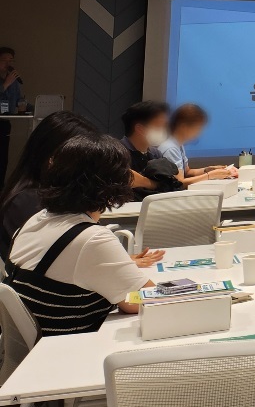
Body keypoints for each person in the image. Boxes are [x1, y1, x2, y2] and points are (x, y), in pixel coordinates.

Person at [4, 133, 163, 336]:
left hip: (39, 346)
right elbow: (147, 299)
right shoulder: (91, 239)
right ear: (115, 183)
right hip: (70, 348)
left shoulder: (36, 220)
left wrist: (120, 264)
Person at [0, 111, 97, 258]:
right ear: (53, 156)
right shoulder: (27, 201)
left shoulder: (49, 194)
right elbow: (56, 257)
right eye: (82, 158)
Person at [158, 103, 235, 187]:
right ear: (184, 127)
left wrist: (208, 170)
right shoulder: (170, 148)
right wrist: (210, 175)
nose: (199, 132)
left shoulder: (178, 145)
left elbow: (187, 172)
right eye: (198, 128)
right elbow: (179, 183)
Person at [120, 100, 170, 193]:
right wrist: (154, 184)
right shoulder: (118, 153)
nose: (163, 130)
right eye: (159, 126)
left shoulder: (156, 154)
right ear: (140, 129)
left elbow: (167, 184)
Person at [0, 47, 25, 185]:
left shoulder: (14, 81)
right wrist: (5, 84)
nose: (8, 63)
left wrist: (35, 107)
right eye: (4, 60)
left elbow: (18, 100)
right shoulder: (8, 81)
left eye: (11, 60)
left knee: (3, 157)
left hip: (5, 122)